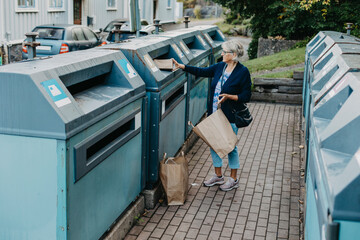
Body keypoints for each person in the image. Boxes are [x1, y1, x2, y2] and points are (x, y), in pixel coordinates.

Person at [172, 39, 252, 191]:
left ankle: (233, 178)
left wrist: (230, 96)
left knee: (230, 147)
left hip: (230, 116)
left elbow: (246, 96)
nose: (221, 54)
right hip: (214, 114)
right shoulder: (220, 67)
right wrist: (181, 66)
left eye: (224, 52)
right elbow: (202, 72)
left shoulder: (242, 72)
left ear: (233, 55)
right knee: (213, 144)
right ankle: (218, 176)